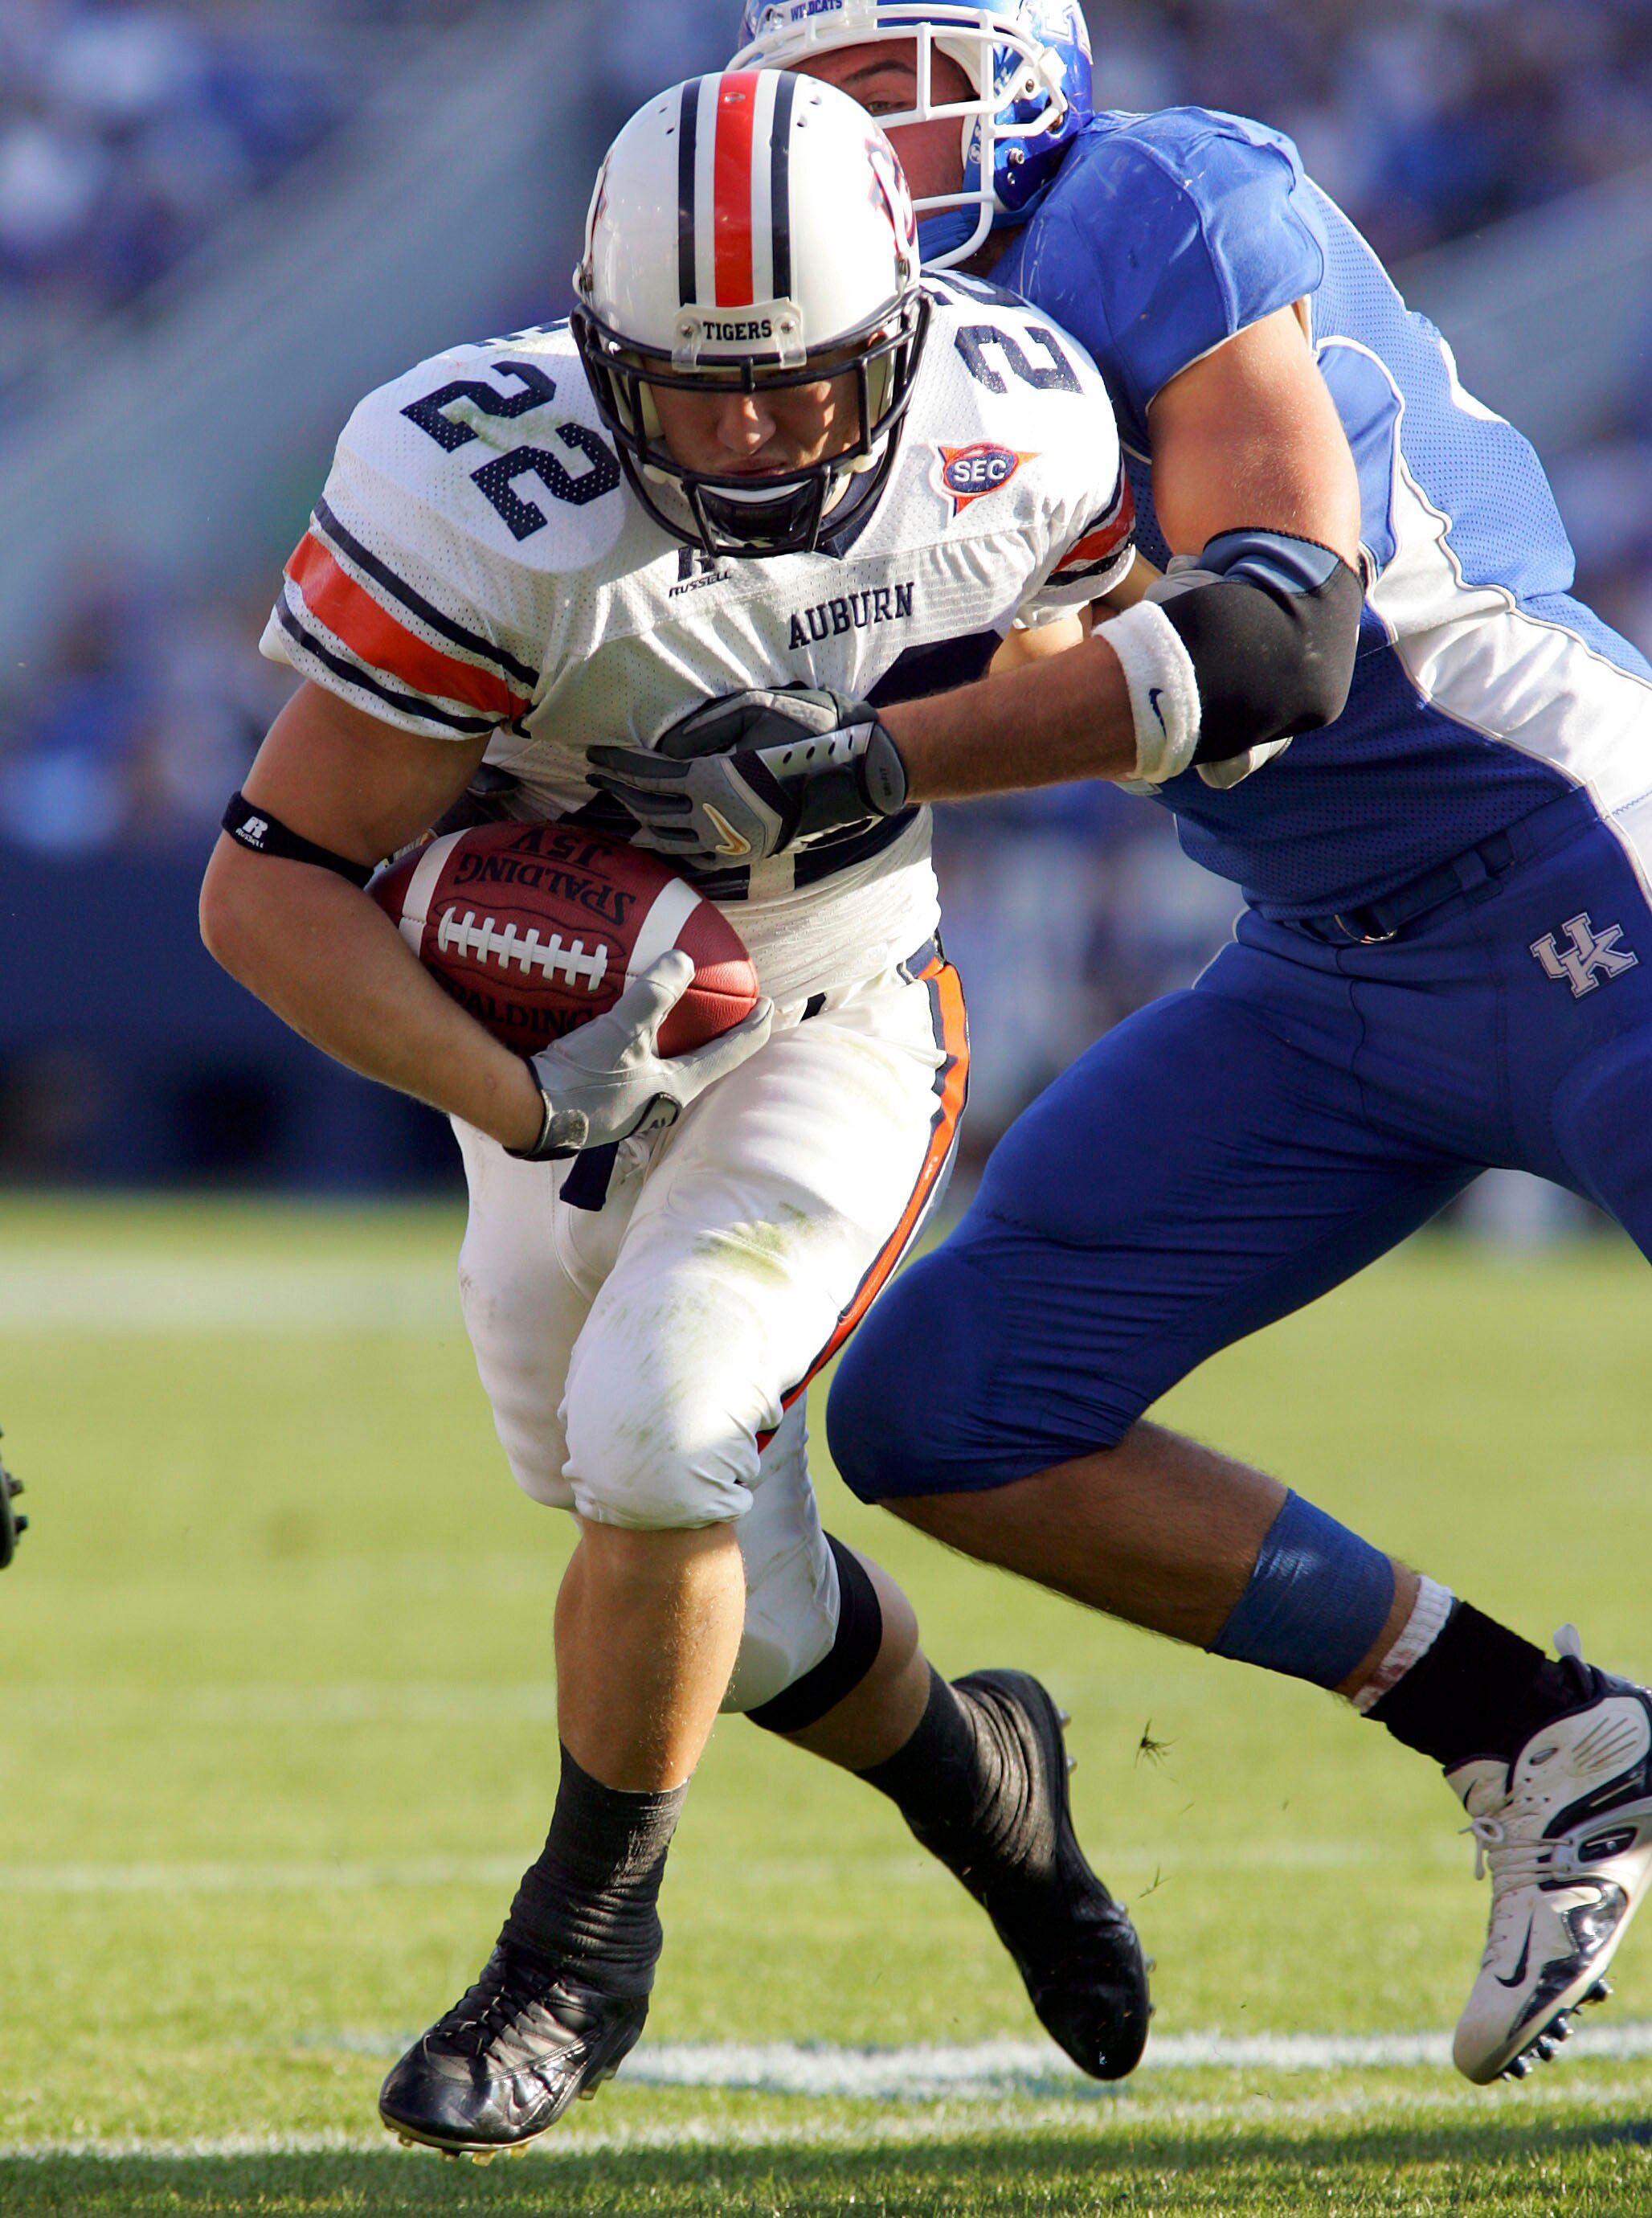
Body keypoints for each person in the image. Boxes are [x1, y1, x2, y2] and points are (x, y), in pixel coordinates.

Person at [591, 2, 1652, 2089]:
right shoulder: (864, 352)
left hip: (1567, 856)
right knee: (950, 1407)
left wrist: (867, 759)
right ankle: (1533, 1735)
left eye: (910, 91)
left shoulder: (1156, 192)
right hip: (1326, 962)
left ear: (1025, 73)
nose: (879, 159)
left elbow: (1274, 638)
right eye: (832, 113)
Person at [200, 72, 1151, 2157]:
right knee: (702, 1554)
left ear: (899, 333)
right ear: (594, 344)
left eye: (800, 387)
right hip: (552, 1064)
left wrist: (891, 765)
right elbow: (262, 881)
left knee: (662, 1441)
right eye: (691, 387)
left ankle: (576, 1954)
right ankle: (987, 1789)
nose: (742, 433)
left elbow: (1090, 672)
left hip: (833, 1015)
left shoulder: (1023, 419)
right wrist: (519, 1080)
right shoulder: (477, 487)